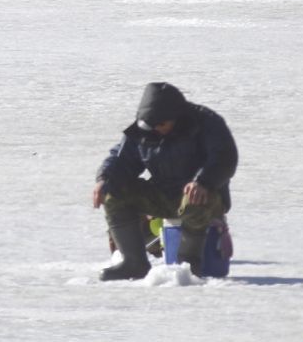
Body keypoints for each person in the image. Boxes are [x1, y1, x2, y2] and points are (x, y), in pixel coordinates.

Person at [93, 82, 239, 280]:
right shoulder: (146, 128)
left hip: (204, 195)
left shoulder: (206, 122)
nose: (157, 129)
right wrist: (104, 179)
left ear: (176, 117)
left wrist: (204, 181)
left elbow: (225, 157)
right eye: (152, 125)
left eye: (162, 124)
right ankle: (133, 263)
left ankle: (187, 265)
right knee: (114, 191)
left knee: (194, 196)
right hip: (163, 193)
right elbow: (121, 160)